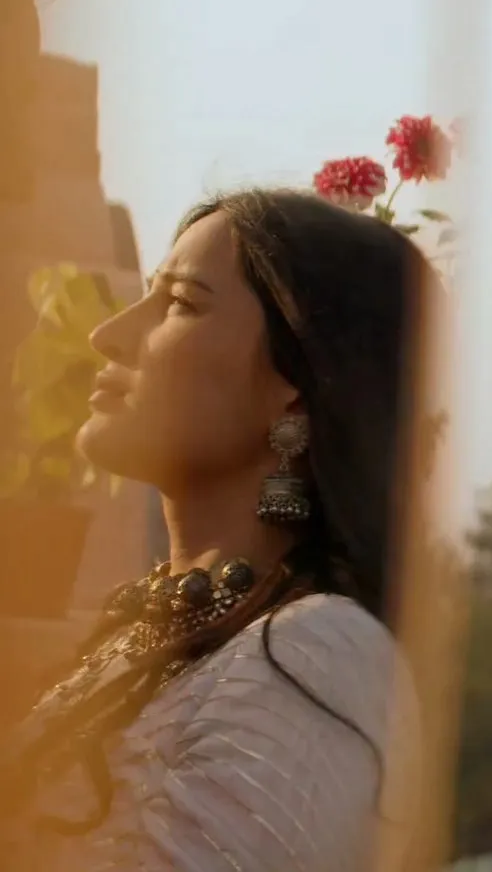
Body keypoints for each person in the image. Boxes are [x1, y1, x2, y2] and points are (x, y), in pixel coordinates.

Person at [0, 188, 429, 869]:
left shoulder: (319, 652)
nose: (107, 336)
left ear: (296, 386)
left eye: (180, 303)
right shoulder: (150, 637)